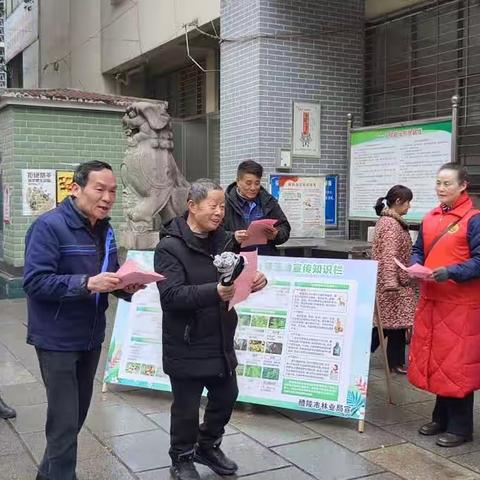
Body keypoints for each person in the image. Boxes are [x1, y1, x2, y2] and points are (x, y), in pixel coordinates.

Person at [23, 161, 144, 480]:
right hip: (57, 339)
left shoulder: (105, 228)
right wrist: (86, 283)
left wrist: (126, 286)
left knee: (73, 420)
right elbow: (34, 282)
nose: (107, 197)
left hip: (90, 337)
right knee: (64, 424)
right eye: (99, 189)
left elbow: (110, 273)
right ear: (76, 189)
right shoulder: (48, 226)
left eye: (113, 191)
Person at [154, 179, 268, 480]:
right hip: (187, 341)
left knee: (227, 395)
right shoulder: (169, 247)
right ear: (192, 206)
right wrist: (215, 292)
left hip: (220, 337)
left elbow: (237, 277)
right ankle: (181, 457)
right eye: (213, 205)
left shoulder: (225, 241)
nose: (219, 212)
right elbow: (171, 297)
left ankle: (208, 445)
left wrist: (256, 281)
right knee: (186, 409)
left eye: (222, 206)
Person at [408, 163, 480, 448]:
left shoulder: (474, 219)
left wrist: (451, 272)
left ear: (463, 186)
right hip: (432, 301)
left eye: (447, 183)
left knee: (457, 365)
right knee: (436, 361)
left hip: (461, 305)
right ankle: (441, 417)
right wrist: (414, 265)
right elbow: (418, 250)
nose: (441, 188)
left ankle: (461, 428)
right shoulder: (430, 217)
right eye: (438, 182)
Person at [370, 185, 416, 375]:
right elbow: (390, 255)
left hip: (392, 282)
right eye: (408, 202)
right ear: (398, 201)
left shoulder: (388, 220)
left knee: (392, 324)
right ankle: (392, 361)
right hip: (393, 283)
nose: (409, 207)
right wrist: (391, 282)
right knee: (389, 325)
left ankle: (394, 362)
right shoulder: (391, 224)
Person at [224, 160, 291, 255]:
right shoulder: (225, 203)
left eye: (257, 183)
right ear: (238, 181)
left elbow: (285, 227)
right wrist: (233, 237)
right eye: (248, 183)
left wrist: (276, 234)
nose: (253, 188)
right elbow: (215, 234)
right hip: (237, 260)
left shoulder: (268, 201)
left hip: (265, 258)